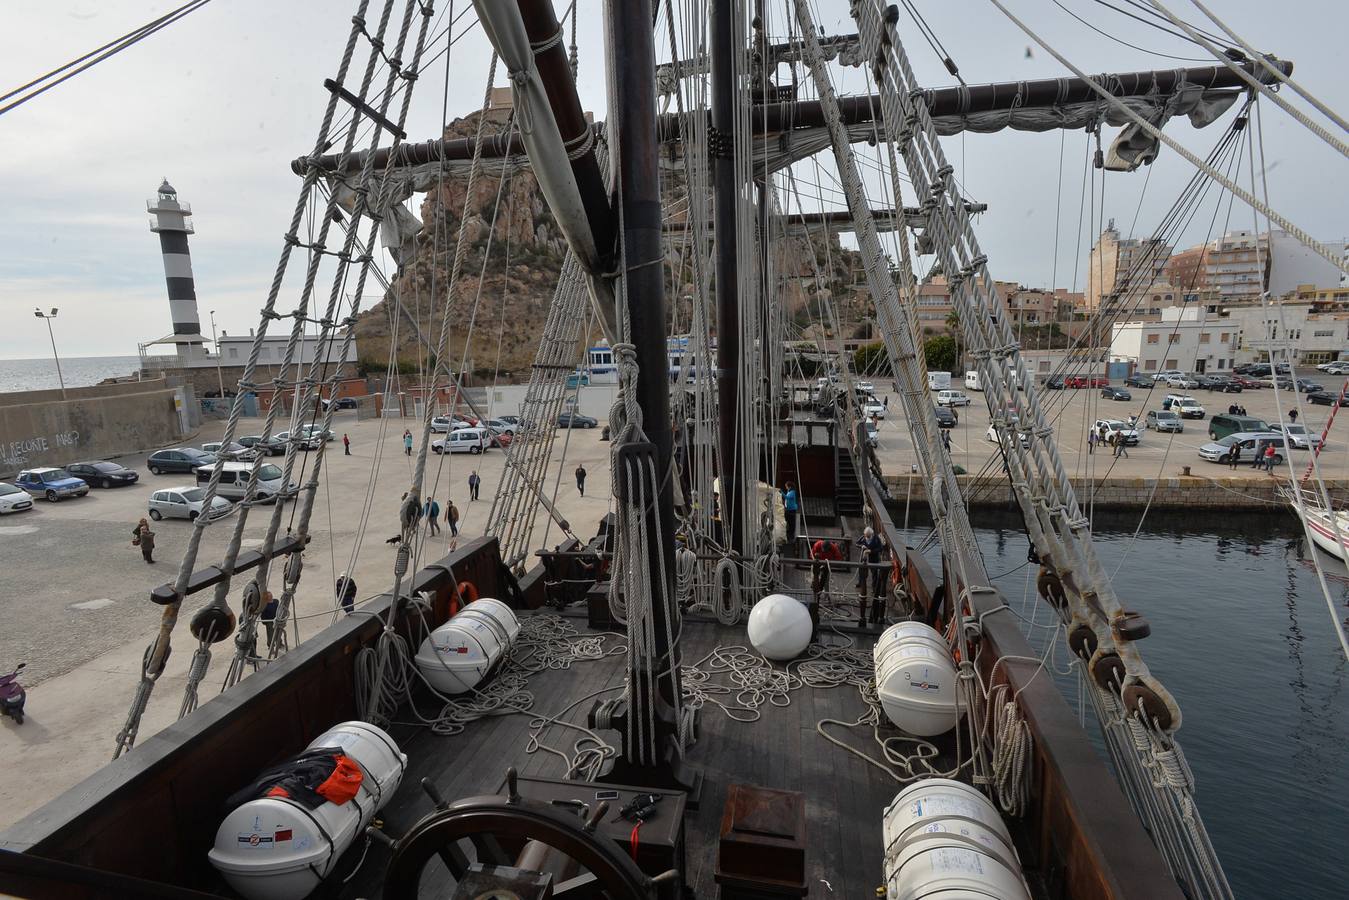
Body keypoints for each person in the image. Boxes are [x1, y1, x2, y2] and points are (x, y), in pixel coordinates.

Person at [855, 526, 887, 628]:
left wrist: (871, 551)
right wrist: (862, 547)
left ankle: (874, 588)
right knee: (862, 573)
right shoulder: (863, 537)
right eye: (866, 536)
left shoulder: (876, 538)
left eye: (868, 536)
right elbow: (857, 543)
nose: (867, 537)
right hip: (864, 558)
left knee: (874, 574)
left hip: (873, 559)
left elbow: (880, 548)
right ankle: (860, 583)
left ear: (871, 534)